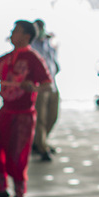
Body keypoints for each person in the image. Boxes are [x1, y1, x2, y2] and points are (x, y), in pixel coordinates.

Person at [0, 20, 54, 197]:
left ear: (26, 36)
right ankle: (2, 190)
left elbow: (48, 85)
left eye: (16, 31)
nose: (12, 33)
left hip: (23, 115)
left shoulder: (33, 58)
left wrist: (34, 88)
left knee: (17, 156)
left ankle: (20, 194)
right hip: (5, 111)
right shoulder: (5, 58)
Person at [31, 19, 60, 162]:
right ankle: (41, 147)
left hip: (52, 85)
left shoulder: (48, 44)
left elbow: (55, 64)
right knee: (40, 118)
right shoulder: (32, 44)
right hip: (40, 86)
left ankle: (40, 141)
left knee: (52, 116)